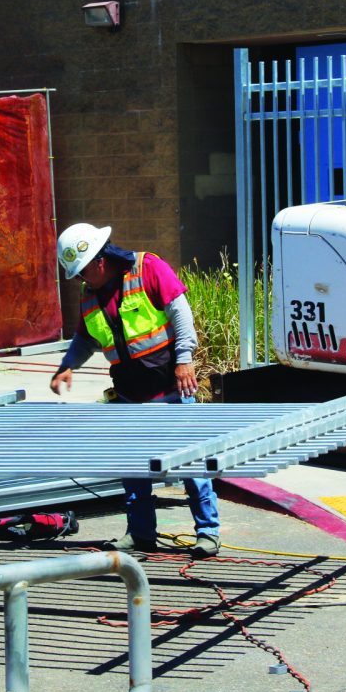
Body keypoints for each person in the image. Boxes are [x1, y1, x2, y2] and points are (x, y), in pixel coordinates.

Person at [49, 223, 221, 559]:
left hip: (171, 389)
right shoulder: (91, 296)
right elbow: (85, 339)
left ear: (100, 261)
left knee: (191, 464)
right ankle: (141, 534)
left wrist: (185, 359)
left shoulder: (148, 268)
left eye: (82, 272)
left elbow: (180, 312)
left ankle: (208, 533)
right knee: (134, 470)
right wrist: (67, 365)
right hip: (130, 395)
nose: (81, 280)